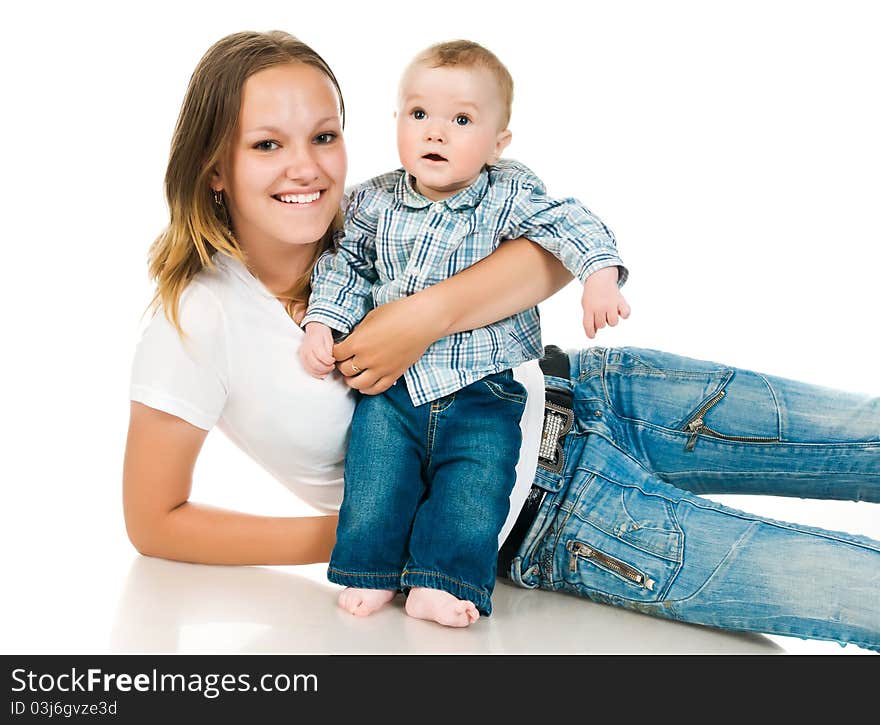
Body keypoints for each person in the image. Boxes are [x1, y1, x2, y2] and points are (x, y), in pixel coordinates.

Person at [125, 30, 879, 651]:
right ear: (213, 167)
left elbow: (546, 256)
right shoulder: (197, 319)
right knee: (846, 584)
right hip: (554, 516)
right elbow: (154, 520)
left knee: (862, 432)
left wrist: (420, 317)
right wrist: (367, 533)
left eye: (324, 136)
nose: (307, 168)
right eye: (265, 145)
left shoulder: (369, 212)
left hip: (595, 391)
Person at [298, 40, 629, 626]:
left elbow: (568, 222)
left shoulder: (506, 194)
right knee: (376, 482)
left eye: (462, 120)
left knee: (473, 489)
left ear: (498, 143)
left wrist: (598, 277)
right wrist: (324, 321)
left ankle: (442, 582)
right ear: (396, 120)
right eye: (419, 114)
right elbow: (344, 265)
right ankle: (370, 572)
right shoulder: (372, 202)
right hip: (393, 388)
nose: (436, 133)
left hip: (483, 387)